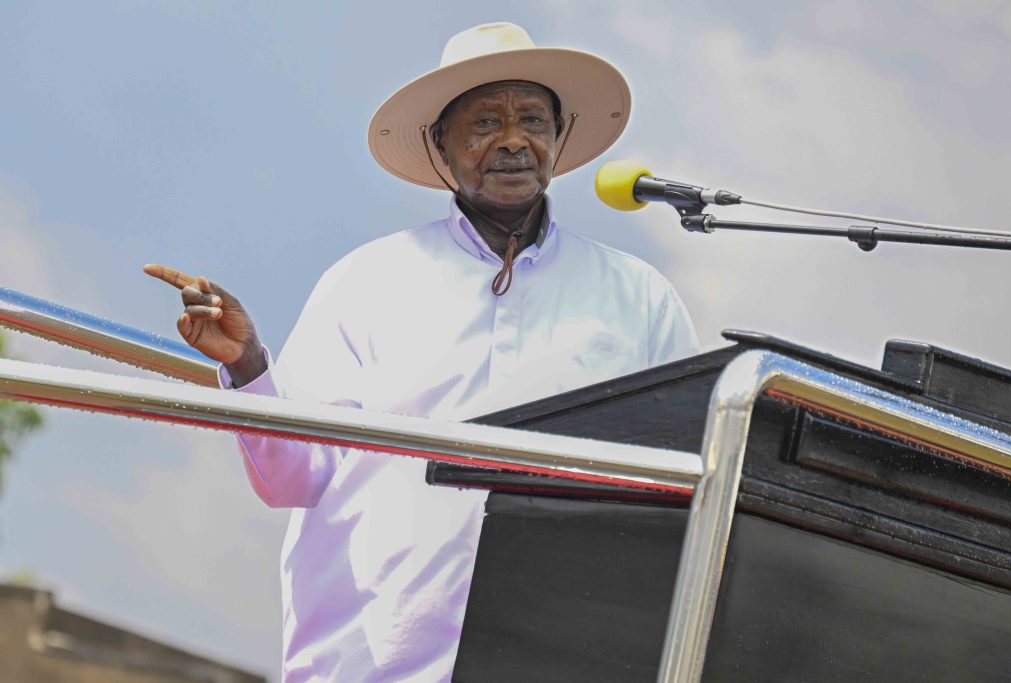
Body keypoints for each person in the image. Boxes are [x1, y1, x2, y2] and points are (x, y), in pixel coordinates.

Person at [146, 22, 699, 683]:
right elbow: (289, 477)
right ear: (440, 142)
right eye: (486, 120)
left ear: (560, 135)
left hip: (565, 659)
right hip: (373, 662)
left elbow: (682, 497)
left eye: (532, 118)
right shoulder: (367, 279)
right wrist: (248, 365)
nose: (514, 139)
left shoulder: (639, 298)